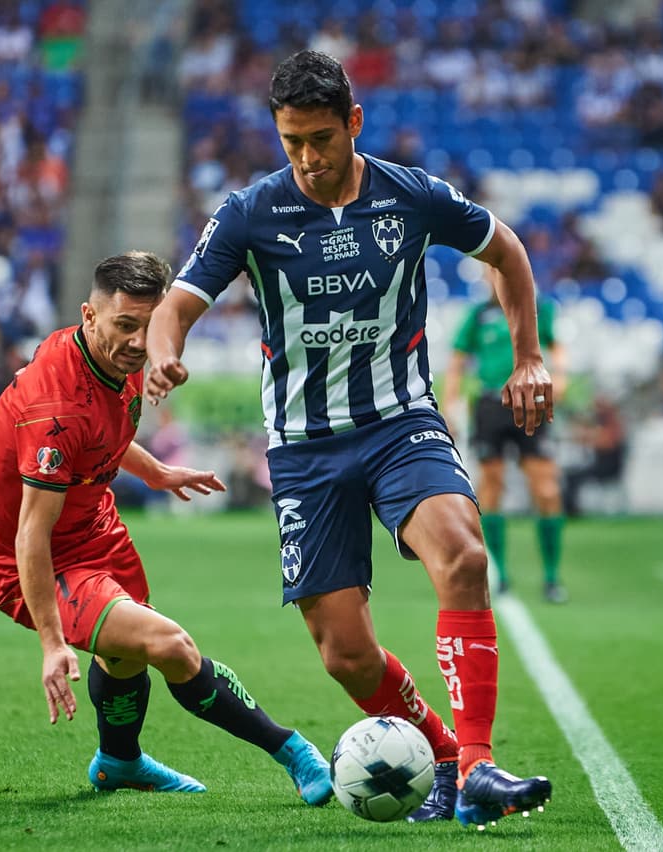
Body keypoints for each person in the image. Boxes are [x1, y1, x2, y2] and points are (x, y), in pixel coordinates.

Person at [146, 51, 552, 827]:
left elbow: (508, 252)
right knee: (346, 654)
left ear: (354, 123)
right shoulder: (248, 212)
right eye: (291, 140)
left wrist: (528, 354)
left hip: (402, 423)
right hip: (304, 448)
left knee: (465, 556)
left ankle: (476, 766)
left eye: (321, 139)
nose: (306, 157)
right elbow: (177, 304)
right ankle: (440, 755)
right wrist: (167, 348)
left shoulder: (411, 196)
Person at [0, 251, 333, 802]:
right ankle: (292, 750)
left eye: (150, 325)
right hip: (45, 561)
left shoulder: (106, 359)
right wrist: (51, 643)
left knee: (122, 656)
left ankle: (119, 761)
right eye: (125, 325)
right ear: (89, 316)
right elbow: (31, 534)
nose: (140, 342)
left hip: (98, 530)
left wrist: (157, 472)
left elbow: (103, 434)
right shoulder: (54, 410)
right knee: (171, 647)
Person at [443, 278, 568, 602]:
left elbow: (556, 345)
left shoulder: (539, 310)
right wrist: (450, 403)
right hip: (490, 404)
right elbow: (457, 360)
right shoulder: (478, 314)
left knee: (546, 489)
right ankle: (498, 573)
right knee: (492, 485)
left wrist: (561, 375)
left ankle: (552, 576)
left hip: (531, 401)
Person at [562, 394, 626, 518]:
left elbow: (606, 443)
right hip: (598, 465)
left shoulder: (613, 425)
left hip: (608, 468)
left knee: (573, 476)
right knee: (570, 475)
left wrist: (590, 437)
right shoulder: (602, 424)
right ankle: (570, 509)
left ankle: (571, 511)